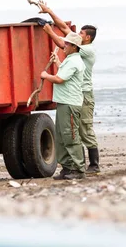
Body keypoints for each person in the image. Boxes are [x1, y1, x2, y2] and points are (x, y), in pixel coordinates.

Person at [37, 1, 100, 174]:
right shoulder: (77, 50)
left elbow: (62, 42)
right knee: (72, 132)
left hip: (84, 93)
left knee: (83, 130)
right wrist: (49, 11)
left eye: (80, 32)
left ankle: (93, 165)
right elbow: (64, 29)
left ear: (86, 38)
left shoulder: (86, 51)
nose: (76, 33)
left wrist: (49, 31)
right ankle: (75, 165)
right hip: (76, 94)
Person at [41, 32, 86, 180]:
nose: (64, 46)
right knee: (61, 136)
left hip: (70, 103)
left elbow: (60, 79)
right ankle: (67, 168)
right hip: (64, 102)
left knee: (71, 136)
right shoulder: (71, 60)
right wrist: (57, 62)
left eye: (67, 44)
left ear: (74, 47)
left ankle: (78, 169)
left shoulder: (74, 61)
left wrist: (46, 76)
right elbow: (66, 74)